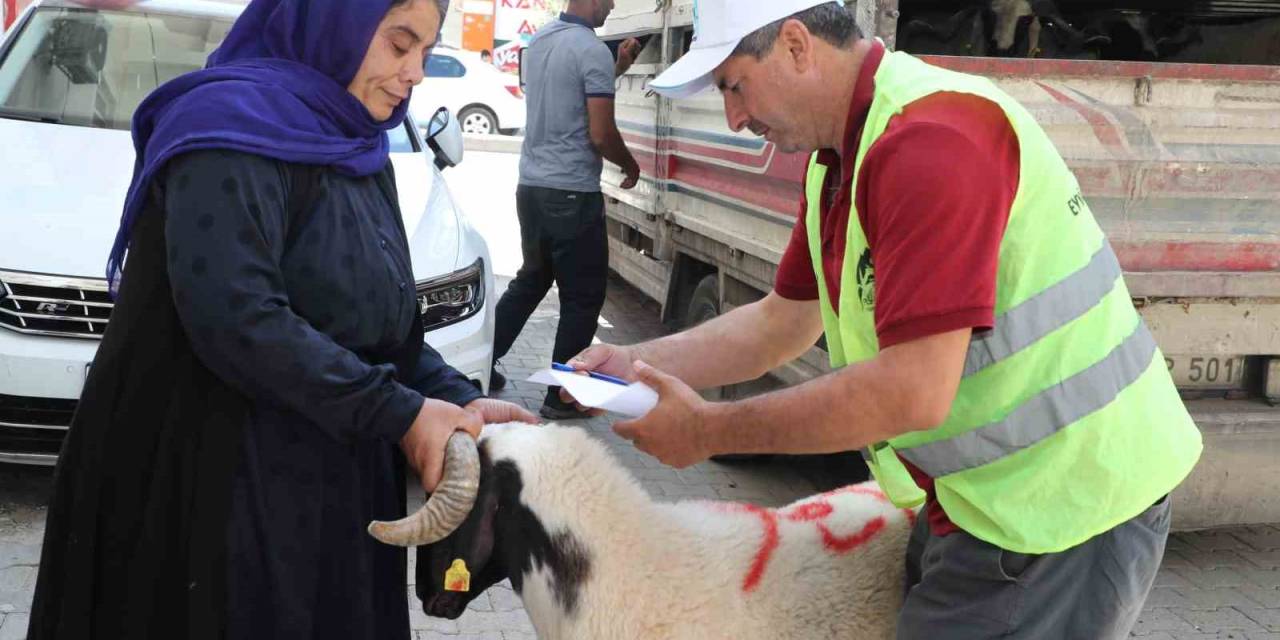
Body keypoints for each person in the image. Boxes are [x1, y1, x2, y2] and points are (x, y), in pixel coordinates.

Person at [564, 1, 1204, 637]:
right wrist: (636, 365)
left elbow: (911, 392)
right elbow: (781, 323)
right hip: (987, 498)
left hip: (1066, 506)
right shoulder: (842, 157)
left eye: (735, 86)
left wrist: (709, 432)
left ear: (796, 45)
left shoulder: (930, 141)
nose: (734, 118)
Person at [27, 1, 535, 639]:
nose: (414, 73)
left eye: (425, 53)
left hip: (329, 485)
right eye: (399, 43)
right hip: (219, 495)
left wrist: (458, 400)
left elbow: (384, 328)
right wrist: (401, 414)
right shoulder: (227, 131)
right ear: (334, 22)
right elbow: (237, 318)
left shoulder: (356, 142)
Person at [488, 0, 642, 419]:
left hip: (531, 187)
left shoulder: (539, 42)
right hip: (571, 193)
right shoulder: (590, 49)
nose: (613, 5)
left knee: (532, 279)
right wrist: (630, 165)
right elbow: (600, 133)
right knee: (583, 297)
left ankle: (480, 365)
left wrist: (617, 67)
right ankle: (562, 397)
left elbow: (566, 97)